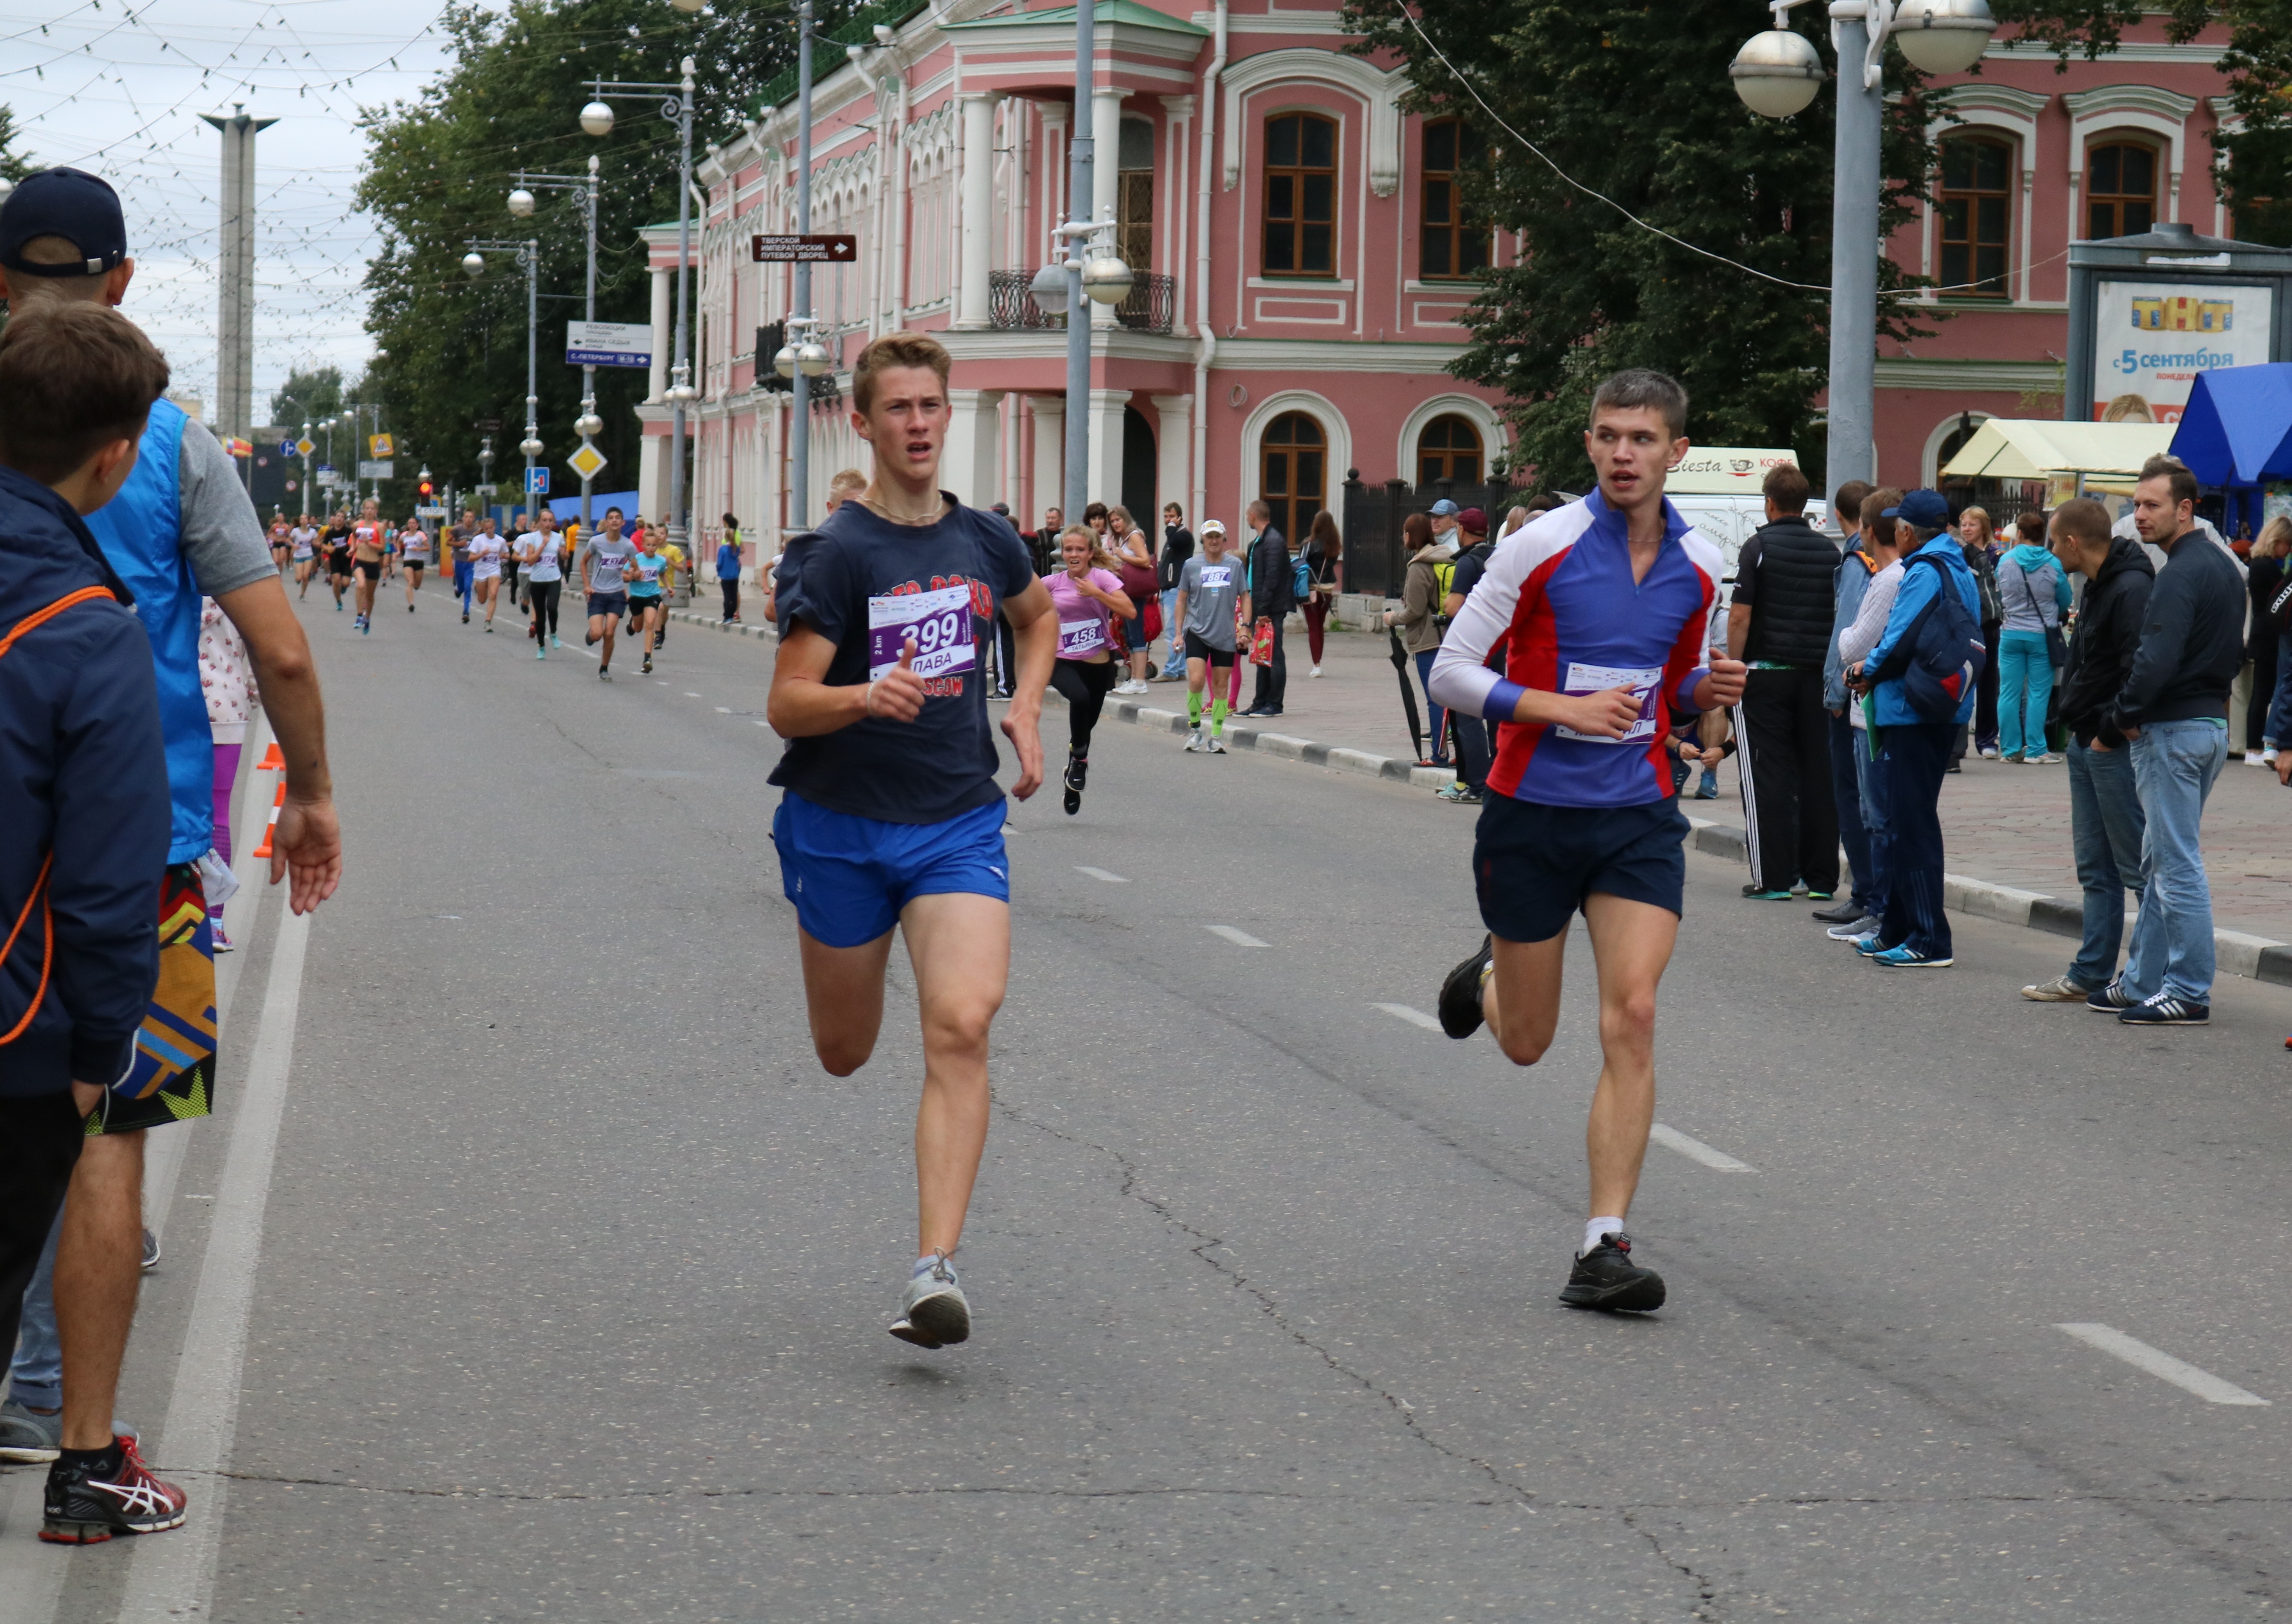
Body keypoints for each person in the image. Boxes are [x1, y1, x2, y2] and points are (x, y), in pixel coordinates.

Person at [1425, 368, 1745, 1313]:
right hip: (1529, 808)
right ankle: (1485, 978)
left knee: (1633, 1014)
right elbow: (1449, 671)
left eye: (1641, 438)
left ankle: (1602, 1242)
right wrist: (1559, 704)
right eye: (1607, 435)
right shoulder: (1537, 545)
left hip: (1636, 813)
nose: (1620, 453)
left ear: (1675, 451)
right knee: (1526, 1041)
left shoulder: (1703, 560)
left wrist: (1703, 693)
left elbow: (1677, 678)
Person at [763, 331, 1056, 1349]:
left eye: (931, 406)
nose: (919, 424)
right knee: (844, 1052)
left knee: (963, 1023)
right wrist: (858, 694)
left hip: (954, 820)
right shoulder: (839, 553)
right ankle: (850, 958)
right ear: (864, 420)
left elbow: (1036, 618)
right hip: (840, 826)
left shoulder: (983, 539)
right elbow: (785, 703)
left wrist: (1021, 707)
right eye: (898, 409)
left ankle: (935, 1267)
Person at [0, 300, 175, 1542]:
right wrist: (99, 1051)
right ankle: (87, 1468)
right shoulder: (89, 629)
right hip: (16, 1034)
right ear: (114, 458)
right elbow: (111, 886)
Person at [2100, 456, 2242, 1024]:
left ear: (2185, 510)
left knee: (2175, 863)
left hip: (2174, 729)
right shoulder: (2220, 566)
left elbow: (2153, 659)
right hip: (2206, 725)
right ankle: (2141, 980)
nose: (2139, 515)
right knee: (2160, 858)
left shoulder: (2180, 572)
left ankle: (2186, 989)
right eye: (2136, 504)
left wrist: (2120, 716)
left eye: (2150, 505)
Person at [2020, 497, 2153, 1003]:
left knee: (2135, 869)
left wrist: (2106, 732)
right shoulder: (2098, 584)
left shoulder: (2131, 587)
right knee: (2094, 869)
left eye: (2055, 542)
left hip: (2109, 745)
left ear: (2073, 541)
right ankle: (2091, 972)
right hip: (2086, 742)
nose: (2052, 551)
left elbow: (2138, 669)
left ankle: (2147, 978)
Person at [1844, 489, 1983, 968]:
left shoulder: (1923, 570)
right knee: (1905, 823)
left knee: (1914, 825)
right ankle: (1898, 927)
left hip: (1914, 711)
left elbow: (1898, 636)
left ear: (1906, 531)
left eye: (1898, 526)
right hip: (1933, 709)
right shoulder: (1955, 565)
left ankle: (1928, 938)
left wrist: (1865, 669)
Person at [1726, 462, 1840, 903]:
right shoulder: (1829, 552)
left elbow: (1739, 614)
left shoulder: (1758, 546)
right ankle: (1821, 878)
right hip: (1814, 676)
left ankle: (1774, 878)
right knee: (1818, 774)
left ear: (1769, 503)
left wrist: (1734, 668)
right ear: (1805, 504)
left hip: (1767, 676)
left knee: (1768, 774)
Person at [1812, 481, 1881, 934]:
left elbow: (1848, 626)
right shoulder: (1888, 560)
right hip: (1874, 690)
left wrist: (1834, 693)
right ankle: (1871, 892)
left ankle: (1864, 894)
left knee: (1851, 796)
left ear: (1842, 516)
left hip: (1852, 692)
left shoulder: (1857, 560)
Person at [1043, 524, 1132, 814]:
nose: (1073, 554)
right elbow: (1020, 596)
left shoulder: (1102, 578)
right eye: (1068, 549)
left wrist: (1096, 593)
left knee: (1085, 726)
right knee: (1079, 699)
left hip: (1098, 662)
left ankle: (1072, 773)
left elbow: (1129, 610)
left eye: (1080, 549)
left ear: (1091, 552)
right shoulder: (1053, 583)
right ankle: (1080, 761)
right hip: (1062, 660)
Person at [196, 596, 257, 950]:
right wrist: (253, 692)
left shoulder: (166, 580)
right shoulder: (237, 587)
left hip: (169, 707)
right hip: (226, 709)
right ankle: (214, 921)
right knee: (218, 812)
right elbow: (262, 648)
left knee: (167, 811)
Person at [1995, 508, 2071, 763]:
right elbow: (2065, 599)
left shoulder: (2005, 561)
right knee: (2039, 692)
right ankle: (2037, 749)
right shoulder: (2053, 563)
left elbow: (1999, 592)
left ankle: (2010, 749)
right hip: (2042, 635)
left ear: (2019, 534)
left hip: (2011, 633)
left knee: (2009, 692)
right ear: (2043, 535)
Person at [1434, 507, 1494, 798]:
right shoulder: (1497, 557)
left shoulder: (1468, 563)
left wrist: (1446, 609)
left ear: (1461, 531)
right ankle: (1498, 780)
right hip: (1499, 645)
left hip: (1472, 648)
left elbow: (1454, 607)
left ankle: (1478, 784)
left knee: (1467, 716)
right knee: (1497, 713)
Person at [1176, 518, 1248, 752]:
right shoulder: (1191, 565)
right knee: (1196, 680)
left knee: (1220, 686)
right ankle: (1195, 729)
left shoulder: (1235, 565)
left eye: (1218, 536)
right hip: (1196, 630)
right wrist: (1178, 633)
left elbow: (1246, 596)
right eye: (1210, 537)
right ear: (1203, 540)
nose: (1214, 541)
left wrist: (1245, 627)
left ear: (1224, 539)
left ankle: (1215, 737)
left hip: (1225, 634)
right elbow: (1182, 598)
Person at [1387, 512, 1448, 765]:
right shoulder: (1443, 557)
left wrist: (1392, 618)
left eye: (1405, 532)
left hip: (1428, 639)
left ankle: (1438, 755)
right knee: (1451, 699)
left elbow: (1414, 611)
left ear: (1411, 535)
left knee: (1435, 700)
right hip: (1448, 634)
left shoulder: (1419, 567)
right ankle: (1459, 754)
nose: (1403, 537)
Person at [1953, 505, 2004, 763]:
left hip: (1989, 625)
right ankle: (1959, 741)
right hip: (1967, 623)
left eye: (1971, 525)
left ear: (1983, 527)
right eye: (1963, 525)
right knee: (1964, 679)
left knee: (1988, 682)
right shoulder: (1959, 555)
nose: (1966, 530)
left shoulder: (1997, 556)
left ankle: (1987, 739)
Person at [2241, 516, 2289, 764]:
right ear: (2277, 541)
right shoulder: (2269, 567)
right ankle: (2256, 747)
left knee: (2261, 692)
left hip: (2260, 632)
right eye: (2287, 544)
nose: (2288, 550)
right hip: (2270, 634)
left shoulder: (2257, 563)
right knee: (2265, 692)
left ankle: (2253, 747)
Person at [1243, 500, 1293, 716]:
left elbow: (1272, 578)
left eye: (1247, 515)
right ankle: (1259, 702)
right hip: (1261, 607)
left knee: (1274, 655)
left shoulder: (1273, 541)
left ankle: (1275, 704)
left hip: (1272, 609)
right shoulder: (1259, 542)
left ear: (1253, 516)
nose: (1247, 518)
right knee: (1262, 654)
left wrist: (1263, 609)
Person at [579, 505, 637, 681]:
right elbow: (583, 562)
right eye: (611, 518)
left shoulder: (628, 545)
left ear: (623, 522)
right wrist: (588, 586)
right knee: (598, 634)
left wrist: (631, 575)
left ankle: (604, 668)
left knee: (610, 633)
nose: (614, 520)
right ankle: (591, 635)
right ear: (606, 522)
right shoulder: (596, 542)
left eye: (617, 518)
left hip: (617, 593)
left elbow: (635, 567)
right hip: (597, 593)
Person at [1104, 505, 1157, 694]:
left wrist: (1122, 555)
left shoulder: (1134, 536)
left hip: (1136, 591)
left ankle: (1140, 681)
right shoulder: (1123, 539)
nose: (1115, 524)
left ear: (1125, 519)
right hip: (1128, 590)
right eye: (1112, 522)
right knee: (1130, 636)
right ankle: (1135, 678)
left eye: (1118, 520)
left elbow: (1145, 560)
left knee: (1136, 635)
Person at [519, 506, 564, 658]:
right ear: (538, 522)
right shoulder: (533, 538)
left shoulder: (558, 537)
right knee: (540, 615)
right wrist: (543, 546)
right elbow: (531, 561)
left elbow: (564, 556)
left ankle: (553, 633)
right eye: (544, 520)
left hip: (554, 579)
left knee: (552, 607)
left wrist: (564, 553)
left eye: (551, 521)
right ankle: (542, 647)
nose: (547, 524)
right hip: (537, 580)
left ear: (554, 523)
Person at [1299, 508, 1341, 677]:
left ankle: (1317, 664)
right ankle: (1319, 661)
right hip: (1328, 589)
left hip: (1311, 589)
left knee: (1313, 627)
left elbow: (1301, 566)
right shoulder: (1335, 545)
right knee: (1320, 626)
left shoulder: (1309, 544)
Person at [1156, 502, 1194, 681]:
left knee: (1173, 631)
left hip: (1176, 589)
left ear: (1180, 517)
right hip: (1168, 590)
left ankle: (1171, 670)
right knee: (1176, 631)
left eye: (1171, 517)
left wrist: (1171, 527)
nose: (1168, 521)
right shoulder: (1174, 538)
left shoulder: (1183, 536)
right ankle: (1179, 669)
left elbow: (1173, 540)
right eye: (1166, 517)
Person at [627, 522, 668, 674]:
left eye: (654, 545)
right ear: (643, 545)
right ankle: (632, 624)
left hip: (652, 595)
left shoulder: (661, 561)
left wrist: (669, 587)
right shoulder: (636, 559)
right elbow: (625, 575)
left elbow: (662, 573)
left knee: (650, 623)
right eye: (649, 545)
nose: (651, 548)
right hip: (637, 596)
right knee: (638, 628)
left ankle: (647, 659)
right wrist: (634, 575)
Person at [348, 497, 387, 631]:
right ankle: (360, 615)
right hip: (360, 561)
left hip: (373, 563)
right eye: (367, 508)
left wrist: (369, 543)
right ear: (363, 510)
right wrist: (353, 549)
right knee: (361, 585)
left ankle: (367, 618)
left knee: (370, 596)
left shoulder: (380, 527)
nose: (370, 511)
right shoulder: (357, 525)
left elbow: (382, 547)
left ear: (376, 511)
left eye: (372, 509)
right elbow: (354, 537)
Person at [466, 516, 506, 631]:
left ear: (495, 527)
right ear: (484, 529)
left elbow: (506, 554)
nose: (489, 530)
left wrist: (504, 556)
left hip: (495, 570)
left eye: (491, 528)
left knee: (493, 594)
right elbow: (471, 558)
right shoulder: (478, 540)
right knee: (482, 600)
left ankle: (488, 621)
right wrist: (481, 554)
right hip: (481, 572)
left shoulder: (500, 541)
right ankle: (477, 589)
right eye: (487, 528)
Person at [448, 505, 477, 622]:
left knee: (468, 587)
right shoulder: (458, 529)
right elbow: (448, 542)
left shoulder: (477, 531)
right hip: (459, 560)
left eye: (471, 517)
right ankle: (458, 590)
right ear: (464, 518)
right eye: (467, 517)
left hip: (470, 562)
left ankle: (466, 612)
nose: (469, 519)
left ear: (474, 518)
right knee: (461, 587)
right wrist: (459, 544)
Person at [323, 506, 354, 611]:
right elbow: (323, 545)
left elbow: (355, 541)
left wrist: (352, 550)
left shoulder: (349, 531)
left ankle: (344, 587)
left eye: (342, 517)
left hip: (347, 559)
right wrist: (328, 548)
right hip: (335, 558)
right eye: (338, 516)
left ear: (344, 520)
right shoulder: (330, 532)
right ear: (335, 518)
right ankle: (339, 601)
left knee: (345, 583)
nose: (339, 519)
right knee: (336, 581)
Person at [398, 511, 430, 610]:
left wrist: (419, 549)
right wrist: (399, 551)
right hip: (408, 560)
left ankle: (416, 588)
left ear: (417, 525)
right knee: (410, 582)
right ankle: (411, 604)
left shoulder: (421, 535)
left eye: (414, 523)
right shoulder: (404, 535)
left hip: (419, 561)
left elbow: (428, 548)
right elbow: (398, 542)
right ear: (408, 525)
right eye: (410, 523)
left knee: (417, 585)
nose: (412, 525)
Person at [717, 511, 744, 623]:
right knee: (734, 592)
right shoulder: (737, 536)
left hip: (726, 572)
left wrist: (719, 570)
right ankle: (735, 613)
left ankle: (728, 615)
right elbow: (741, 549)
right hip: (735, 568)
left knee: (728, 595)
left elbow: (719, 563)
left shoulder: (723, 549)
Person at [289, 512, 318, 599]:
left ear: (308, 521)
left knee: (306, 576)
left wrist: (318, 544)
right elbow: (289, 540)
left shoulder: (313, 531)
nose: (304, 520)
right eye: (302, 519)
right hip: (299, 556)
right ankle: (298, 580)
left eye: (305, 519)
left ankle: (303, 594)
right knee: (299, 578)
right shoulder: (296, 531)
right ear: (300, 521)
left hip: (309, 555)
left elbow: (317, 540)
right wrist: (294, 545)